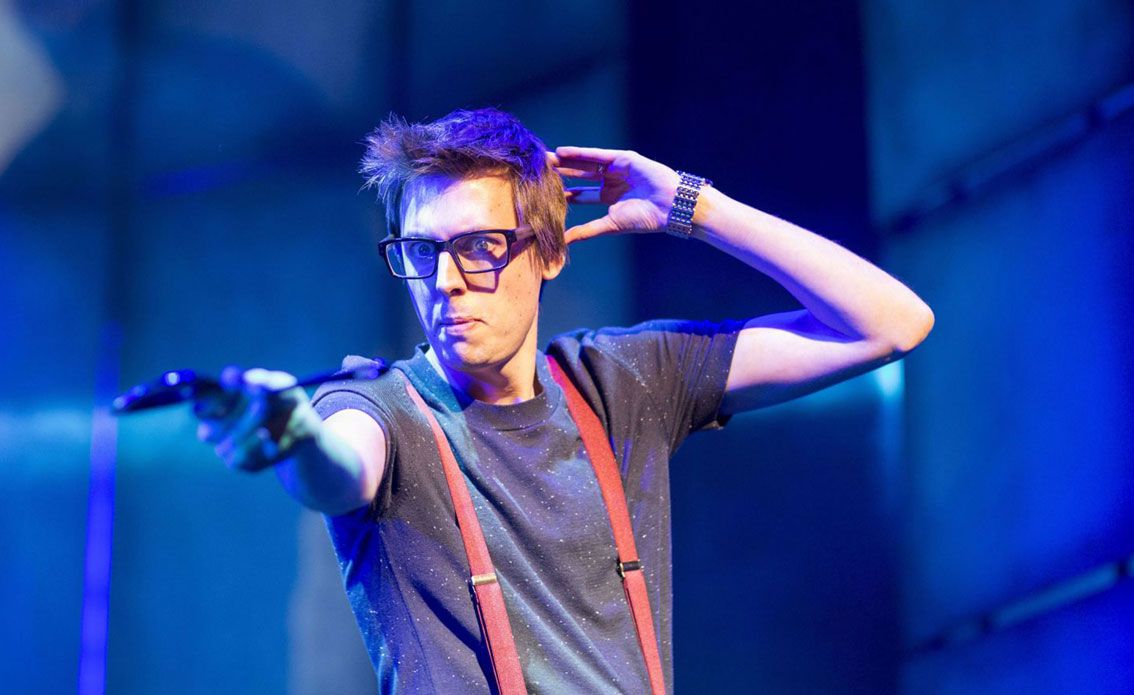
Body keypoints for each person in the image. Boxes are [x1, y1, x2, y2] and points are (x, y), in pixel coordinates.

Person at [196, 107, 934, 693]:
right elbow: (340, 471)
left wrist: (693, 206)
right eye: (422, 251)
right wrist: (293, 434)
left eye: (479, 246)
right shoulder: (378, 405)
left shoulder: (621, 381)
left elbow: (891, 324)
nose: (446, 281)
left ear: (548, 252)